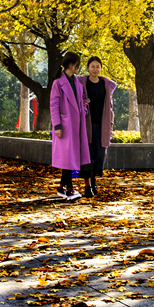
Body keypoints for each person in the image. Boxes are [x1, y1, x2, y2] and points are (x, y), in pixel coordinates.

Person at [49, 52, 89, 202]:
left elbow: (80, 103)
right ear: (71, 65)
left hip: (77, 124)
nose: (79, 67)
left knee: (71, 157)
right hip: (65, 126)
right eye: (77, 64)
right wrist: (57, 125)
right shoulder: (58, 83)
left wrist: (84, 107)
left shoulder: (78, 83)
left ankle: (62, 187)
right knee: (68, 158)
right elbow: (54, 105)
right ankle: (69, 188)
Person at [79, 56, 116, 199]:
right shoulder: (81, 83)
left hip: (102, 126)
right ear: (88, 68)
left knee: (99, 156)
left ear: (101, 68)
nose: (95, 69)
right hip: (86, 125)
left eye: (97, 66)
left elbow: (110, 109)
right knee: (87, 157)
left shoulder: (105, 84)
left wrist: (111, 126)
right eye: (92, 66)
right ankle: (87, 186)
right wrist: (82, 103)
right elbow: (75, 101)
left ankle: (94, 180)